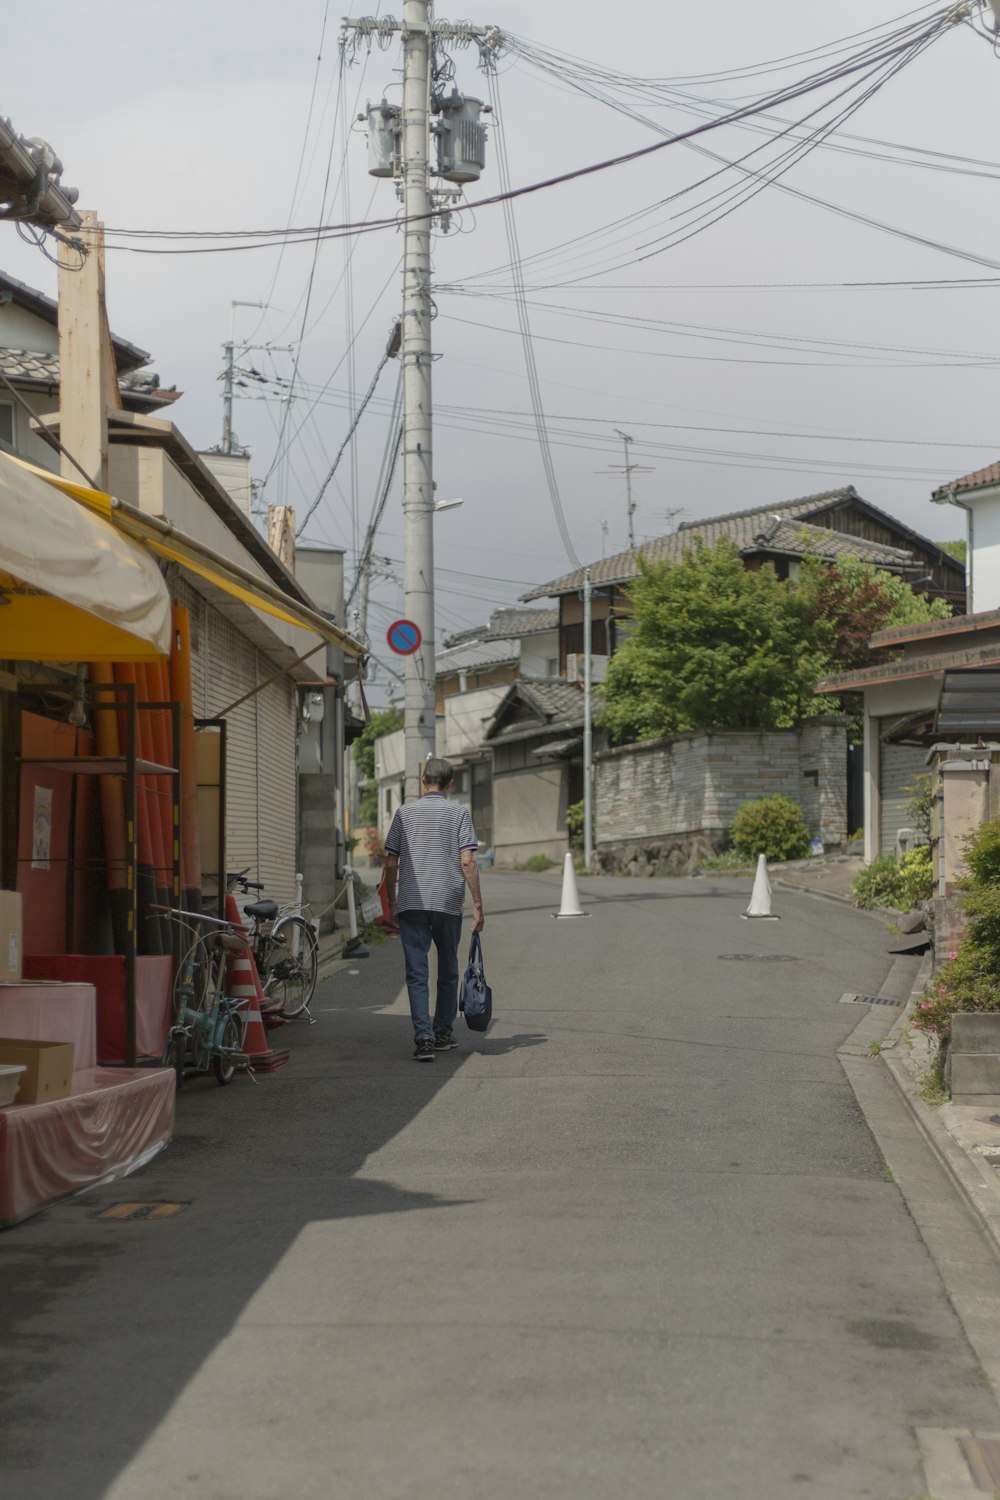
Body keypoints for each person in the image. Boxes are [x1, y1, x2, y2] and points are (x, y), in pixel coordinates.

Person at [383, 757, 485, 1061]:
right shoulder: (459, 813)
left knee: (416, 972)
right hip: (447, 900)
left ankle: (423, 1039)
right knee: (448, 968)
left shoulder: (404, 813)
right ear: (450, 784)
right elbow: (467, 861)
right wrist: (478, 906)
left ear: (422, 780)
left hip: (411, 901)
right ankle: (443, 1032)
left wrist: (391, 903)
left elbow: (390, 862)